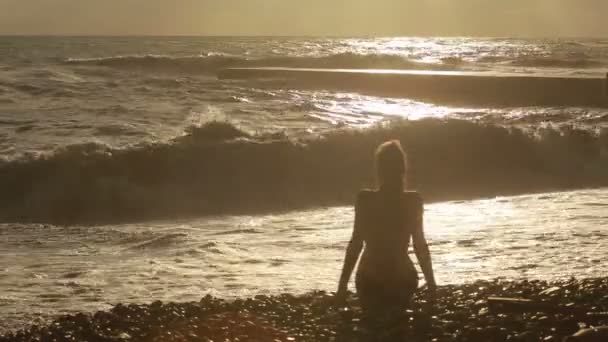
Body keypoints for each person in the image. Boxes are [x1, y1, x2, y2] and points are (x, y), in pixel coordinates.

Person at [336, 140, 436, 313]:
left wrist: (342, 287)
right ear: (403, 170)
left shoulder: (365, 199)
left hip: (370, 282)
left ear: (379, 170)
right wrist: (432, 285)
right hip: (402, 281)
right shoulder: (413, 201)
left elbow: (356, 244)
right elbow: (420, 245)